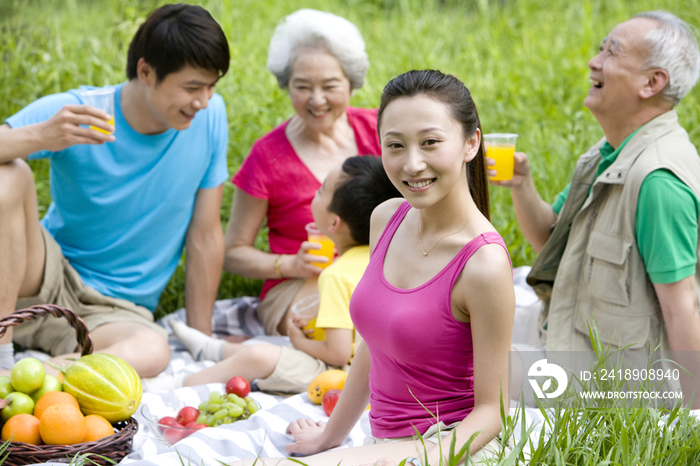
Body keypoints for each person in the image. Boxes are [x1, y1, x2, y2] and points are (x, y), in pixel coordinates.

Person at [232, 70, 515, 466]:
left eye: (430, 142)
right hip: (388, 443)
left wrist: (421, 457)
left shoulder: (483, 263)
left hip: (450, 445)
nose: (412, 164)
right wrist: (331, 437)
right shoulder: (387, 218)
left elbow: (491, 412)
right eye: (395, 145)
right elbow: (374, 346)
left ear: (471, 143)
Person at [0, 4, 230, 377]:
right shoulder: (82, 112)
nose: (203, 101)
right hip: (42, 278)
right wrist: (41, 136)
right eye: (192, 87)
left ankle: (34, 380)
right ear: (146, 71)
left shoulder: (210, 118)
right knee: (9, 174)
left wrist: (200, 336)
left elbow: (205, 235)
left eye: (211, 86)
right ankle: (2, 352)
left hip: (114, 314)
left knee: (153, 350)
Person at [493, 12, 700, 398]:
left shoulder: (657, 181)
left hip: (618, 388)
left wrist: (691, 418)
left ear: (652, 82)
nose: (595, 60)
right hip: (571, 348)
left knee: (462, 373)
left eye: (612, 51)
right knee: (457, 342)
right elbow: (550, 241)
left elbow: (681, 308)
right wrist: (521, 186)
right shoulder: (609, 156)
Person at [143, 156, 402, 393]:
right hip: (390, 369)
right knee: (275, 351)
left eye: (322, 189)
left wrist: (298, 340)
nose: (316, 192)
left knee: (261, 357)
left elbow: (337, 353)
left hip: (351, 377)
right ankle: (211, 348)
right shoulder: (389, 256)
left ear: (333, 224)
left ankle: (178, 383)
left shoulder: (336, 275)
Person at [224, 9, 380, 338]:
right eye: (303, 86)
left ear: (351, 82)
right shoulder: (266, 156)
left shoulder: (381, 131)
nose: (317, 100)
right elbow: (233, 253)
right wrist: (289, 264)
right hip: (299, 288)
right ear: (286, 85)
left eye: (330, 85)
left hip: (379, 273)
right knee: (343, 320)